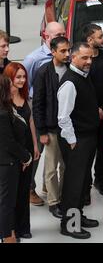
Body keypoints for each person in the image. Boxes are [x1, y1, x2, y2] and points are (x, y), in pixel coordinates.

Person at [57, 42, 100, 239]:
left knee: (83, 182)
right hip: (77, 141)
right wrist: (73, 142)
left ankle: (79, 216)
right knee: (74, 185)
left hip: (87, 138)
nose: (89, 61)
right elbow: (63, 117)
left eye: (90, 57)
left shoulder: (83, 76)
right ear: (73, 57)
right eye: (84, 57)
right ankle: (69, 225)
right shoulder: (70, 82)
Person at [23, 21, 66, 207]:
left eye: (63, 33)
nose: (61, 37)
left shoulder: (67, 57)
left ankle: (49, 188)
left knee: (54, 158)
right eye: (57, 35)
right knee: (37, 152)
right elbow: (25, 85)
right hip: (37, 106)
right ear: (45, 36)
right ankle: (29, 188)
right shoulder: (34, 59)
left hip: (58, 112)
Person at [32, 36, 70, 218]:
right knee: (50, 168)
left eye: (68, 50)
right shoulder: (43, 72)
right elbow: (38, 104)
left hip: (68, 128)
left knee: (65, 166)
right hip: (51, 129)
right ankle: (54, 203)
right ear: (53, 52)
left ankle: (61, 196)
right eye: (62, 51)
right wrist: (42, 132)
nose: (67, 54)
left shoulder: (71, 69)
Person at [4, 63, 40, 241]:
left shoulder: (25, 96)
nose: (22, 80)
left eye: (24, 77)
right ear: (9, 78)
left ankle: (23, 227)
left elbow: (31, 121)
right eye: (18, 77)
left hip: (26, 148)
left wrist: (34, 145)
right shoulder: (4, 101)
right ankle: (9, 230)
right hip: (12, 153)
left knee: (24, 189)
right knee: (11, 193)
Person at [81, 24, 103, 199]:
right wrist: (93, 110)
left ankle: (100, 179)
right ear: (90, 40)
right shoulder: (83, 59)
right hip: (87, 116)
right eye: (100, 36)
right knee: (87, 151)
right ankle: (84, 185)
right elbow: (81, 88)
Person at [0, 75, 32, 243]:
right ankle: (7, 237)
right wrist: (26, 156)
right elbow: (9, 142)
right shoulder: (3, 113)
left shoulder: (7, 108)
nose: (15, 86)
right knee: (7, 202)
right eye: (11, 84)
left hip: (10, 160)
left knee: (8, 200)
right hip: (8, 162)